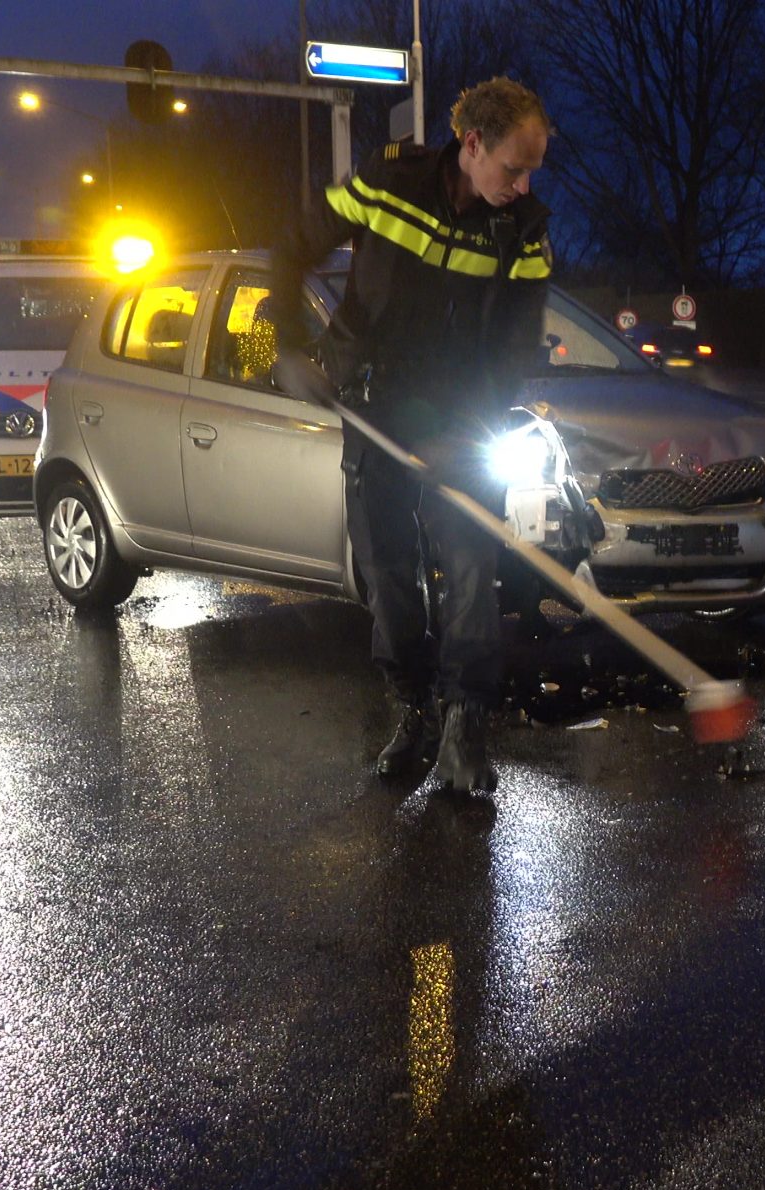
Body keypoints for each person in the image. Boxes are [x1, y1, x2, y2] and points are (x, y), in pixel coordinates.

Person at [270, 77, 555, 795]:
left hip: (462, 415)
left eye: (531, 172)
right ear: (472, 144)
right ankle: (415, 711)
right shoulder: (386, 182)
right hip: (374, 405)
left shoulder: (524, 229)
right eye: (512, 168)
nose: (521, 186)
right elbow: (290, 248)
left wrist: (471, 430)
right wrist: (287, 345)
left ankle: (466, 729)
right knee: (387, 574)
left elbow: (515, 348)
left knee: (466, 573)